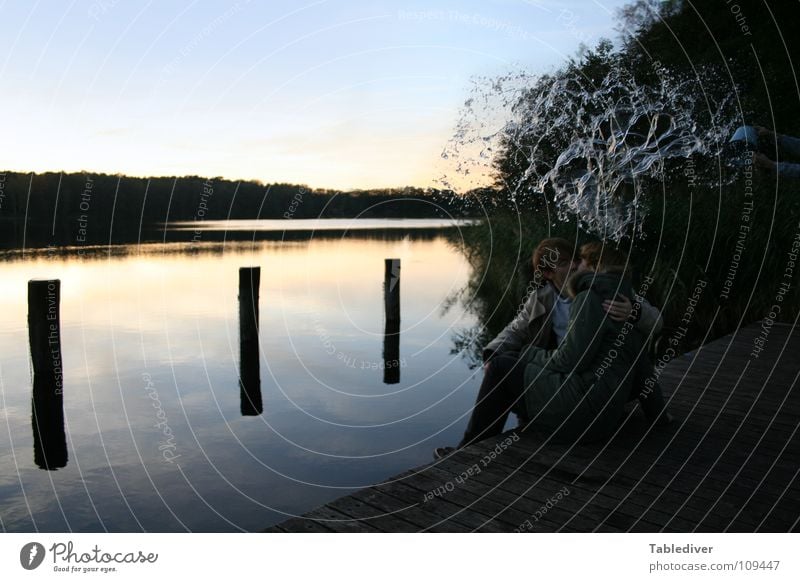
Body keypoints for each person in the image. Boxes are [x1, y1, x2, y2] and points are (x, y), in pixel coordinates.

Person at [434, 238, 666, 458]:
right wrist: (492, 353)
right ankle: (504, 432)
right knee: (503, 362)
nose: (575, 265)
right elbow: (515, 330)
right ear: (548, 273)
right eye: (565, 263)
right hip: (568, 374)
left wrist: (634, 312)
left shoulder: (607, 292)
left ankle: (472, 448)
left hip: (581, 377)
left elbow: (656, 322)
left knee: (507, 366)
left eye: (576, 259)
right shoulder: (541, 299)